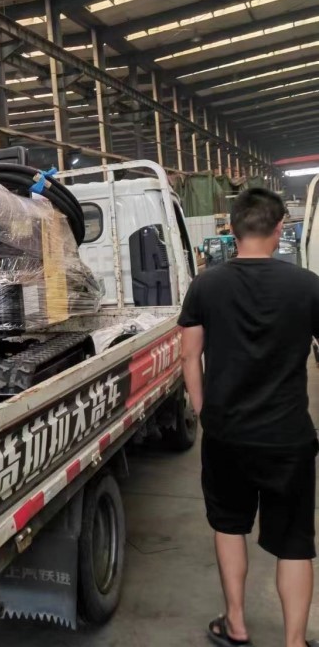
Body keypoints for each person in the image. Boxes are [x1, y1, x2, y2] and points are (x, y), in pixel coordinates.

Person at [179, 187, 319, 647]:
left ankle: (236, 626)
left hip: (227, 435)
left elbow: (189, 357)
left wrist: (205, 411)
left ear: (233, 229)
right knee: (294, 542)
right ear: (279, 229)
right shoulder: (308, 285)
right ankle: (295, 642)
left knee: (229, 526)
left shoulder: (206, 286)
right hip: (288, 436)